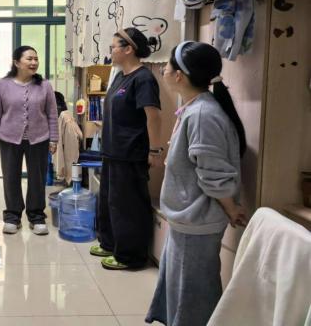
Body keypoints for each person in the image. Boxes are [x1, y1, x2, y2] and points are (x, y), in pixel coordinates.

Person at [146, 41, 247, 326]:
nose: (163, 71)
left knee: (193, 295)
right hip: (187, 218)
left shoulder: (203, 114)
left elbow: (212, 173)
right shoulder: (195, 108)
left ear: (179, 75)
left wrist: (231, 208)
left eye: (167, 66)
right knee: (180, 287)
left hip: (197, 220)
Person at [91, 28, 163, 270]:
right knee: (109, 202)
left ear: (128, 49)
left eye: (113, 47)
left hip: (130, 153)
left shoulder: (143, 78)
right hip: (112, 151)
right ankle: (110, 243)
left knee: (128, 206)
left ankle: (130, 256)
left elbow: (153, 116)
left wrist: (154, 150)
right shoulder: (120, 76)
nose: (110, 51)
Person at [0, 46, 59, 235]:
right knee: (11, 177)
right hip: (9, 138)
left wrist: (54, 138)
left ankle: (37, 216)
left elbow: (52, 114)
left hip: (39, 139)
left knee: (37, 178)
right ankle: (12, 216)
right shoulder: (3, 85)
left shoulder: (45, 86)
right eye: (29, 59)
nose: (34, 62)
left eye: (36, 59)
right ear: (17, 62)